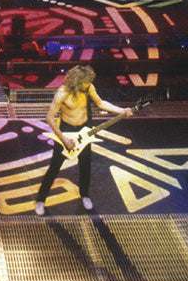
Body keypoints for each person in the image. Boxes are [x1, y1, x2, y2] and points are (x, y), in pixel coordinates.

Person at [33, 65, 132, 215]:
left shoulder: (88, 87)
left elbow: (101, 103)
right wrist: (64, 139)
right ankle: (41, 200)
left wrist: (121, 110)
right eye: (86, 82)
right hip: (66, 131)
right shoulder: (62, 93)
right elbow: (49, 117)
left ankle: (84, 195)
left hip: (84, 130)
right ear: (77, 81)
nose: (89, 84)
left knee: (85, 165)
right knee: (54, 167)